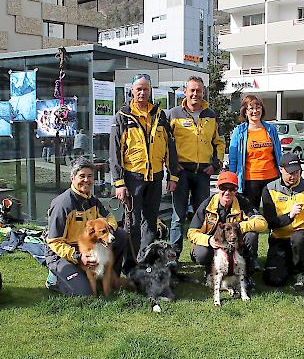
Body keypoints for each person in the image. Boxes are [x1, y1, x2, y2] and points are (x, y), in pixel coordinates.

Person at [109, 73, 179, 260]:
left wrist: (172, 176)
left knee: (150, 222)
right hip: (133, 179)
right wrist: (119, 183)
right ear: (132, 91)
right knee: (132, 223)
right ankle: (130, 263)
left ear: (150, 91)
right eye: (138, 89)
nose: (142, 92)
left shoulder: (159, 115)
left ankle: (145, 260)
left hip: (155, 178)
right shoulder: (122, 117)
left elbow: (169, 146)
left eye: (145, 89)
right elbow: (114, 153)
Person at [44, 158, 131, 295]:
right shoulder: (62, 205)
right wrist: (79, 256)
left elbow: (110, 218)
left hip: (86, 248)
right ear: (72, 177)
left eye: (90, 176)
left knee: (120, 235)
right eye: (82, 176)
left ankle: (108, 277)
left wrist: (108, 233)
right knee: (85, 293)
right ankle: (54, 279)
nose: (86, 180)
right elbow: (54, 242)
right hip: (62, 255)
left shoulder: (92, 200)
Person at [168, 76, 225, 256]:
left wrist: (215, 165)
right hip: (181, 172)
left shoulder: (211, 115)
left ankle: (201, 253)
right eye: (192, 90)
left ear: (203, 92)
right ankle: (173, 256)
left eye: (198, 90)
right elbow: (166, 143)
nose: (195, 94)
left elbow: (220, 142)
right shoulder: (173, 114)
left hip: (203, 173)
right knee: (178, 217)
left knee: (203, 216)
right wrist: (172, 167)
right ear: (185, 92)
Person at [262, 153, 304, 289]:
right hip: (279, 237)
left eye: (297, 172)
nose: (293, 176)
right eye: (290, 173)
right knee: (274, 280)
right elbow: (270, 223)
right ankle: (289, 264)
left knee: (299, 238)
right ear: (281, 170)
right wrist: (289, 216)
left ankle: (301, 272)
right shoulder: (269, 189)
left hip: (302, 235)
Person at [188, 171, 268, 277]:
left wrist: (238, 227)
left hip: (234, 243)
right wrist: (209, 240)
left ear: (236, 190)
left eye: (231, 189)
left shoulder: (243, 202)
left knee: (251, 235)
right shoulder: (207, 205)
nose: (227, 192)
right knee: (201, 253)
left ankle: (247, 271)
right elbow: (191, 233)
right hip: (214, 244)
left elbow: (262, 223)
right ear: (217, 188)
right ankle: (210, 269)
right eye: (223, 188)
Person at [228, 94, 281, 209]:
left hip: (272, 178)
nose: (255, 111)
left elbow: (278, 153)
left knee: (273, 212)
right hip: (250, 180)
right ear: (245, 111)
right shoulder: (239, 131)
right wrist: (232, 180)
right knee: (251, 213)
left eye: (258, 107)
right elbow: (233, 159)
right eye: (251, 108)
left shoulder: (271, 129)